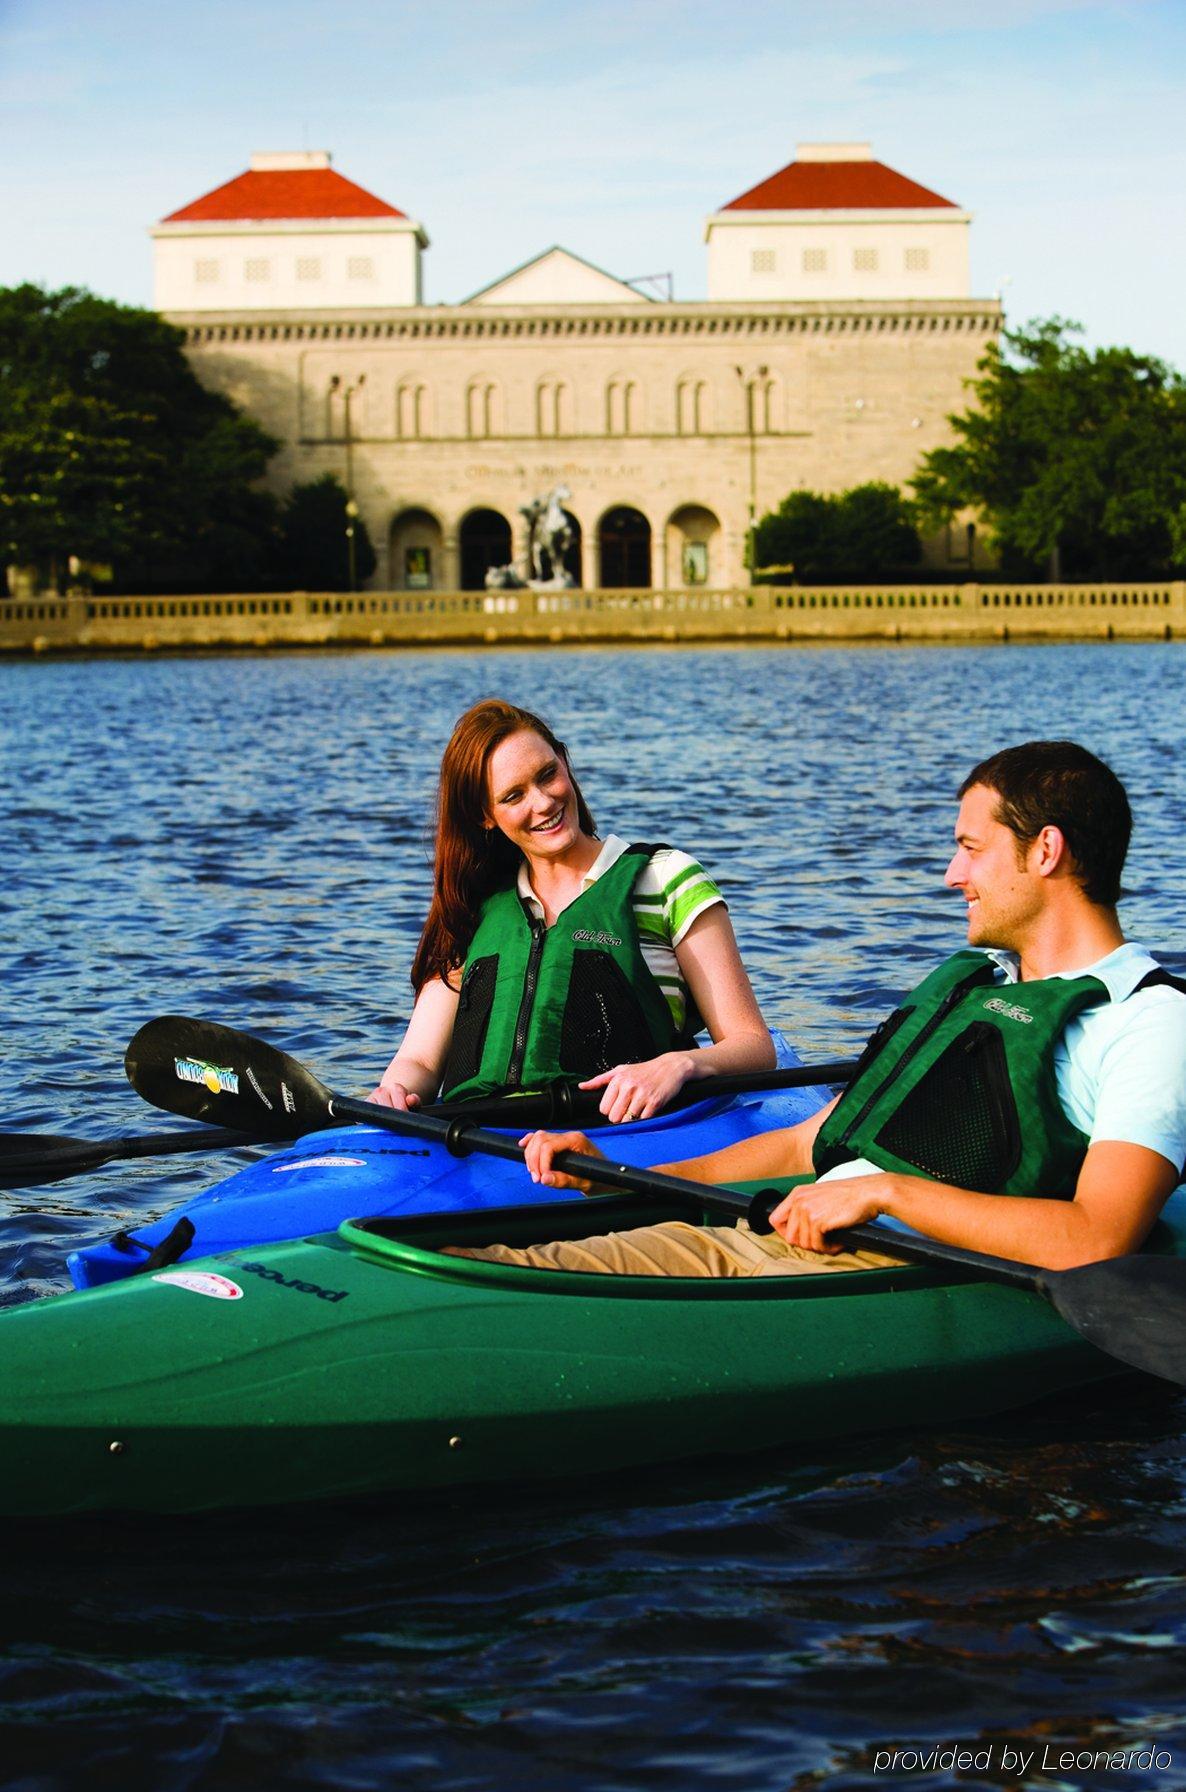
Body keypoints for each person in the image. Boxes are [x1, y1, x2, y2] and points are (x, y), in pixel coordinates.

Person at [460, 740, 1186, 1275]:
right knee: (472, 1256)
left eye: (971, 847)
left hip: (866, 1265)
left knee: (499, 1278)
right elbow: (804, 1145)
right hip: (790, 1227)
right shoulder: (975, 988)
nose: (951, 874)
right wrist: (607, 1167)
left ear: (1046, 851)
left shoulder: (1147, 1023)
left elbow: (1098, 1237)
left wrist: (880, 1193)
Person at [368, 697, 775, 1120]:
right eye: (513, 796)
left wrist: (682, 1064)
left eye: (548, 774)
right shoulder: (474, 909)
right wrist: (393, 1091)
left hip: (619, 1133)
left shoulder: (667, 879)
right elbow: (420, 1062)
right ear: (484, 816)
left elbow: (753, 1046)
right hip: (481, 1139)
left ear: (564, 761)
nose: (543, 802)